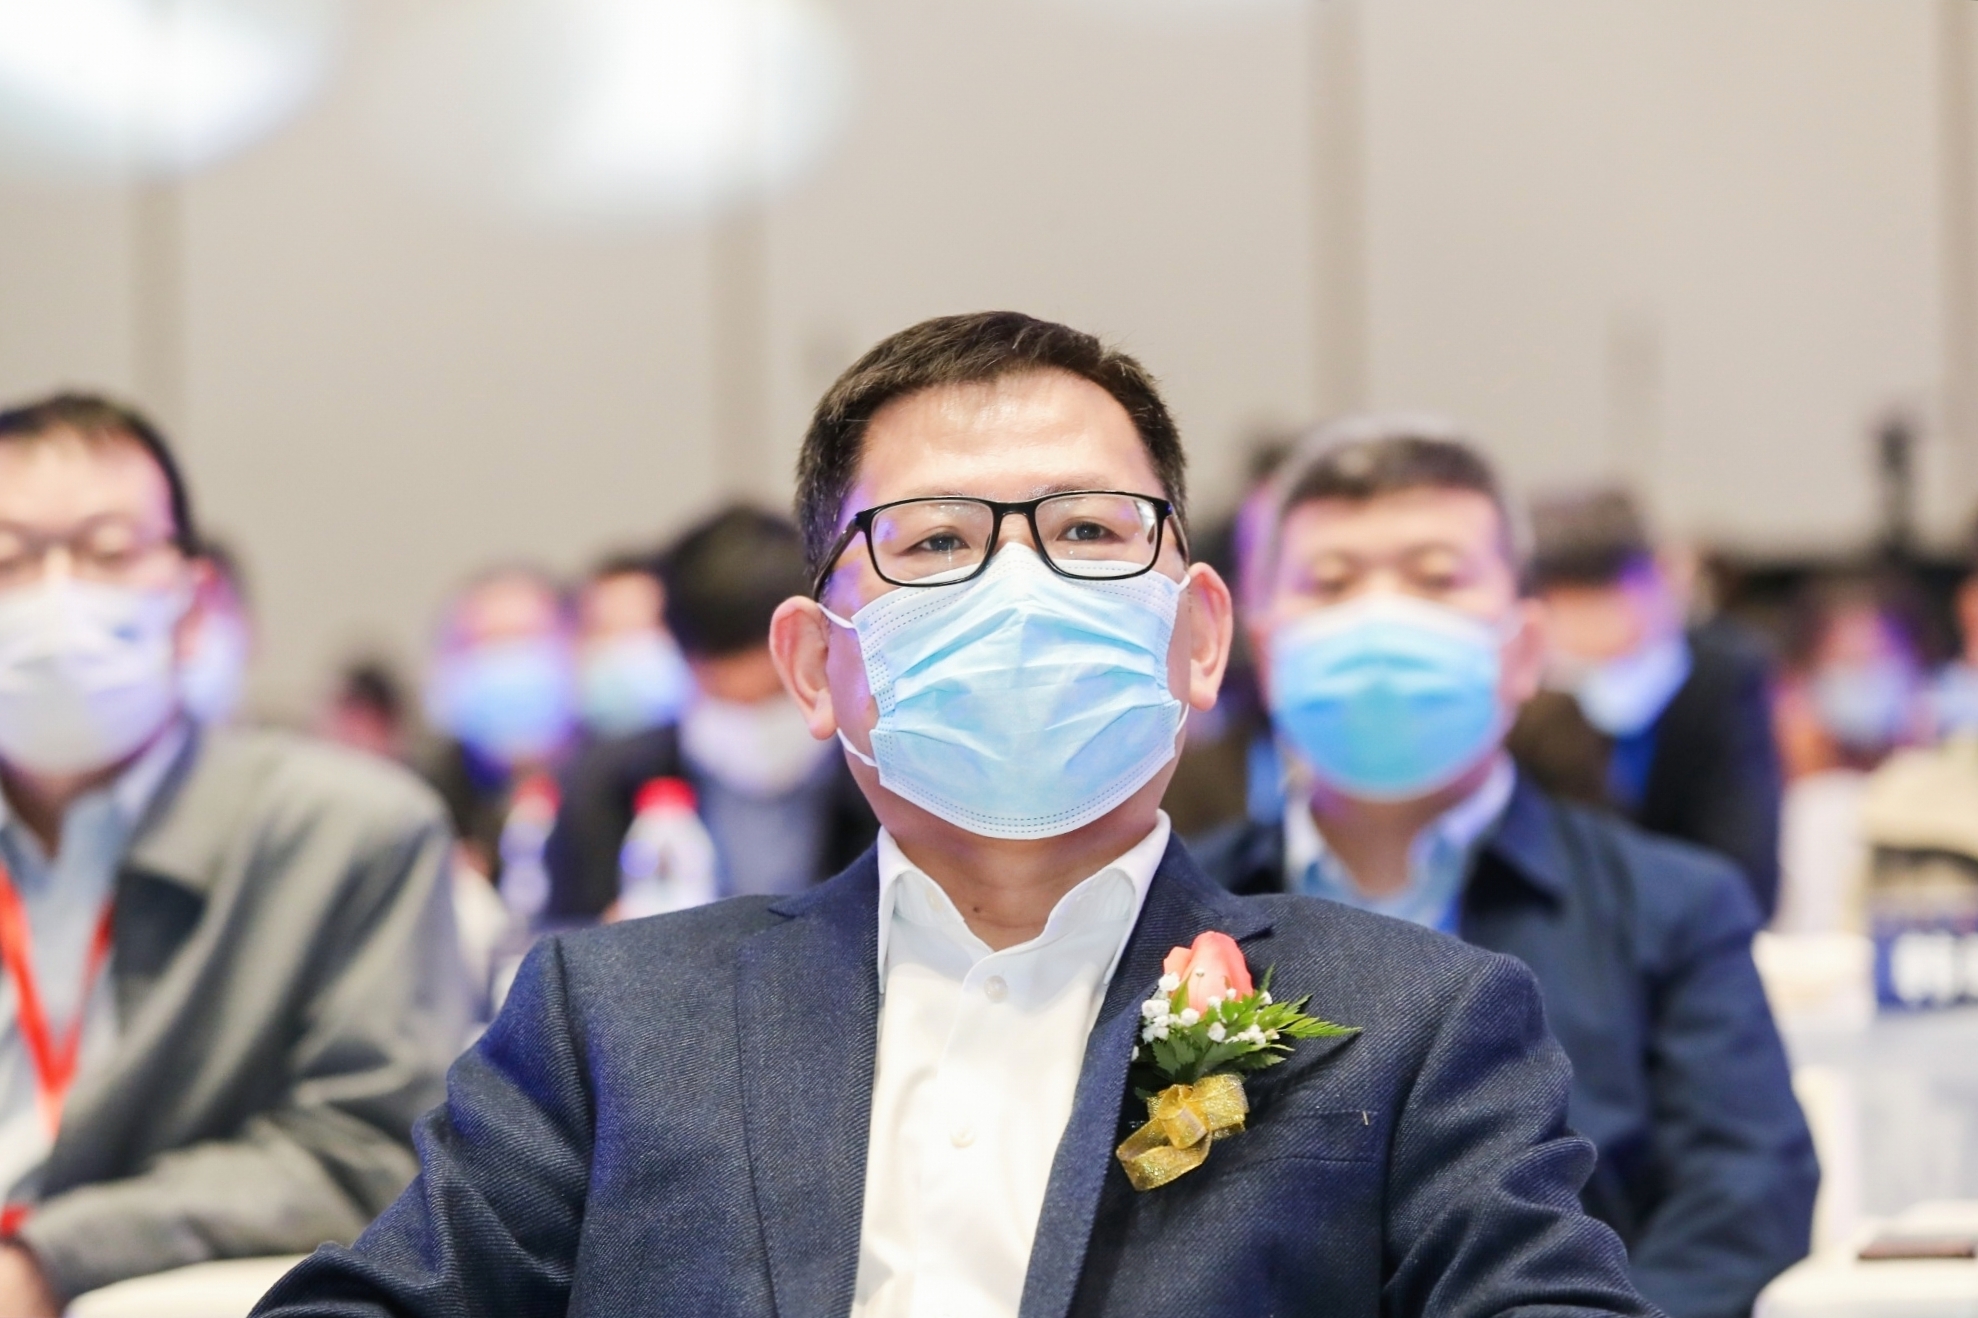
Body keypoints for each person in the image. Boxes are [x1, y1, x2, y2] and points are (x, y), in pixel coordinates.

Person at [256, 312, 1656, 1318]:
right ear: (817, 666)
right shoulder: (613, 1019)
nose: (1021, 587)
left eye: (1090, 531)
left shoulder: (1415, 1021)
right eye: (934, 542)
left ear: (1199, 639)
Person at [1190, 417, 1816, 1318]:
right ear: (1265, 646)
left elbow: (1745, 1196)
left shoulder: (1670, 908)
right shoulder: (1180, 909)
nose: (1380, 618)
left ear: (1524, 649)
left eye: (1435, 579)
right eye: (1330, 583)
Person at [0, 392, 470, 1312]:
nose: (55, 598)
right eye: (7, 558)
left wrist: (47, 1260)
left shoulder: (349, 832)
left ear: (193, 596)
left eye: (108, 552)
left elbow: (367, 1152)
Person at [545, 507, 877, 917]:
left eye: (776, 695)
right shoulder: (603, 787)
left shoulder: (882, 776)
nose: (753, 719)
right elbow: (557, 933)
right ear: (685, 657)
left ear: (815, 647)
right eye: (725, 696)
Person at [1505, 487, 1783, 916]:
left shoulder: (1722, 676)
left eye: (1609, 595)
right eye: (1572, 604)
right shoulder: (1526, 696)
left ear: (1662, 576)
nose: (1594, 627)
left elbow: (1747, 872)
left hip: (1696, 920)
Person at [419, 566, 578, 891]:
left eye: (527, 638)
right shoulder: (425, 802)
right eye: (485, 643)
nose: (508, 660)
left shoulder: (626, 787)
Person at [572, 551, 693, 741]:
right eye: (615, 600)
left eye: (634, 600)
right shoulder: (581, 662)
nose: (625, 610)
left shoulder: (678, 654)